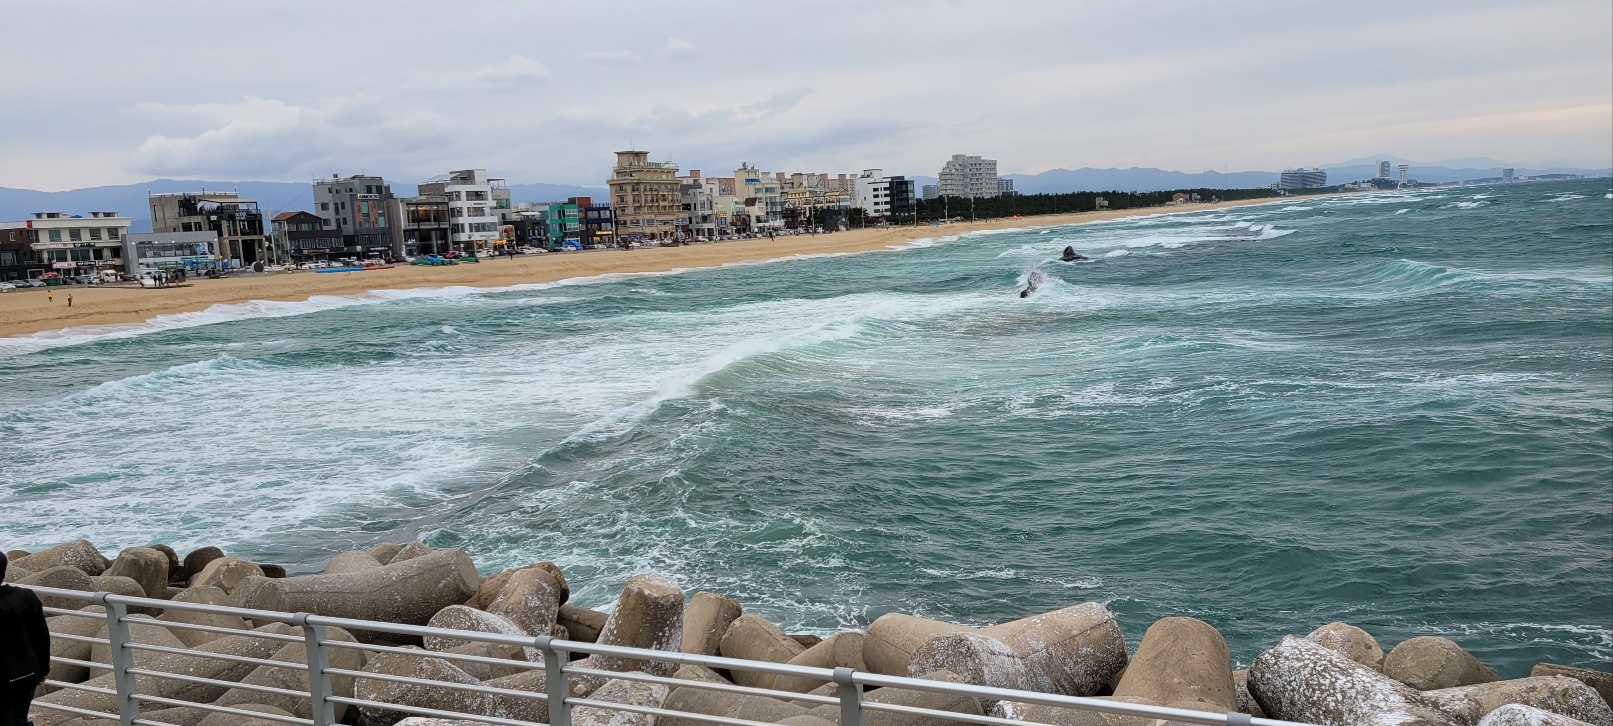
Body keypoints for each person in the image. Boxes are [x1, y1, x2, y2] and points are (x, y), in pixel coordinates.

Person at [1, 551, 51, 726]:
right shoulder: (26, 597)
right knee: (19, 717)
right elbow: (41, 637)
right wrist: (43, 670)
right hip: (26, 672)